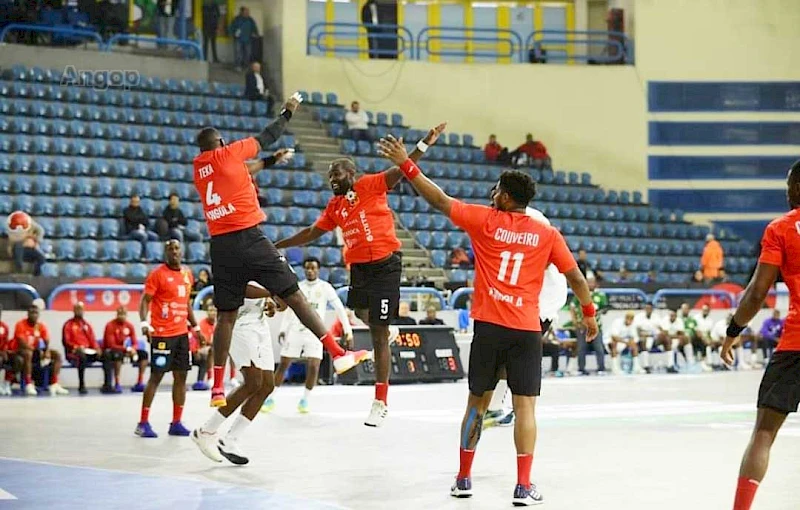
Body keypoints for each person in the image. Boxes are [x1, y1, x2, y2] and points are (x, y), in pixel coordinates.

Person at [376, 135, 598, 506]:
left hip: (489, 328)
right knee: (525, 407)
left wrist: (407, 164)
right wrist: (589, 316)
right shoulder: (547, 234)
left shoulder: (486, 221)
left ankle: (463, 479)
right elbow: (576, 278)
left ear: (507, 198)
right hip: (526, 330)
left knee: (476, 404)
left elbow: (439, 200)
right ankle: (523, 486)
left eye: (497, 191)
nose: (492, 194)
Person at [193, 92, 367, 408]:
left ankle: (217, 387)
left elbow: (247, 170)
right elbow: (267, 136)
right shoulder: (229, 154)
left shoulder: (200, 167)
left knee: (226, 316)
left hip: (220, 246)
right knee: (295, 295)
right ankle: (338, 353)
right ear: (220, 142)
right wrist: (287, 113)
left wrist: (273, 161)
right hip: (248, 237)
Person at [275, 122, 446, 427]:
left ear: (350, 176)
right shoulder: (335, 206)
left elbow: (401, 172)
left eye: (336, 175)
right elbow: (313, 231)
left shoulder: (369, 185)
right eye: (329, 177)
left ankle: (380, 401)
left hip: (385, 264)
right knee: (360, 311)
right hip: (360, 269)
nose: (332, 180)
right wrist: (279, 243)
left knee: (378, 334)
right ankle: (386, 328)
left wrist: (423, 145)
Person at [721, 161, 800, 510]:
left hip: (795, 345)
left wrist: (733, 331)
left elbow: (756, 293)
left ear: (796, 188)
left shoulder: (780, 229)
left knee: (764, 434)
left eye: (788, 185)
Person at [483, 200, 570, 429]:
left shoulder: (535, 220)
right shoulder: (498, 220)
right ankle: (495, 408)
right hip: (521, 299)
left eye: (499, 191)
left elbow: (541, 261)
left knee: (514, 357)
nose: (493, 196)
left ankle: (505, 409)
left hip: (543, 301)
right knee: (504, 357)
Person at [192, 282, 281, 465]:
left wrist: (270, 302)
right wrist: (273, 289)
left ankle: (230, 440)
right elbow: (243, 288)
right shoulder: (242, 255)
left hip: (260, 325)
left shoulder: (273, 260)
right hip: (237, 323)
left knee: (267, 385)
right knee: (253, 381)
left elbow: (284, 300)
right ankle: (205, 431)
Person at [264, 257, 353, 414]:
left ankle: (305, 400)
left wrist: (348, 331)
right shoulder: (298, 287)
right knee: (284, 363)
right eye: (307, 268)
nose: (310, 270)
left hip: (315, 333)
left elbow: (339, 308)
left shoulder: (325, 288)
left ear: (318, 270)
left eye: (313, 268)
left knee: (313, 366)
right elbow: (290, 309)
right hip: (296, 330)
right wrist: (283, 329)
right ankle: (270, 398)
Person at [135, 240, 204, 438]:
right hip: (162, 336)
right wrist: (144, 324)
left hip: (182, 334)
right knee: (156, 377)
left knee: (181, 376)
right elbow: (145, 302)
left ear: (181, 252)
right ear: (165, 253)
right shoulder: (157, 275)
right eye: (170, 249)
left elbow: (186, 303)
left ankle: (176, 422)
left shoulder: (187, 274)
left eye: (176, 248)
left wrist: (196, 327)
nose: (174, 252)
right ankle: (143, 422)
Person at [13, 306, 68, 396]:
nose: (34, 315)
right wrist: (35, 350)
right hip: (22, 351)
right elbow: (21, 342)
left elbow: (46, 340)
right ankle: (29, 384)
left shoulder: (41, 326)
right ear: (28, 314)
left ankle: (54, 383)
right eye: (32, 313)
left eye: (36, 313)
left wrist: (46, 351)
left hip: (37, 351)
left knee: (56, 355)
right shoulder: (20, 324)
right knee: (28, 354)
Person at [63, 302, 111, 394]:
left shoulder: (86, 325)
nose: (79, 311)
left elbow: (92, 340)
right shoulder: (68, 325)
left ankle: (107, 385)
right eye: (77, 309)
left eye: (81, 309)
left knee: (106, 355)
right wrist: (76, 347)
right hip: (75, 352)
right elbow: (66, 341)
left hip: (89, 351)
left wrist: (97, 348)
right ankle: (82, 385)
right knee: (82, 357)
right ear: (73, 310)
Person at [103, 306, 148, 393]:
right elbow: (111, 345)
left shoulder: (129, 326)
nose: (122, 316)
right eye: (120, 314)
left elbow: (135, 342)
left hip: (128, 351)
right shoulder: (110, 325)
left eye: (124, 314)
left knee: (144, 354)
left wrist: (133, 349)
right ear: (117, 314)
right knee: (117, 355)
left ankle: (140, 382)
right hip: (115, 351)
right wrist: (126, 349)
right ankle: (117, 383)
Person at [571, 276, 607, 375]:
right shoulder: (580, 292)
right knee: (581, 347)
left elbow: (605, 308)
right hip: (582, 326)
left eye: (592, 282)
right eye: (589, 282)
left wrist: (598, 311)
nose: (590, 284)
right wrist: (575, 321)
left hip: (596, 326)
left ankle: (601, 368)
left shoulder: (600, 295)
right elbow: (572, 307)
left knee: (599, 347)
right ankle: (581, 369)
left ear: (596, 284)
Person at [7, 211, 47, 276]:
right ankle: (19, 270)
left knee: (41, 258)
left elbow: (40, 230)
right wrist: (25, 239)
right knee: (18, 247)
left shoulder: (30, 224)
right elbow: (12, 242)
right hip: (18, 247)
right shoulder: (12, 229)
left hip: (29, 248)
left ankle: (36, 275)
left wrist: (35, 241)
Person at [194, 302, 216, 390]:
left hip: (213, 348)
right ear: (207, 312)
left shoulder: (219, 323)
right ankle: (210, 378)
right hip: (199, 349)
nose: (212, 313)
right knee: (211, 350)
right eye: (210, 310)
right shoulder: (203, 323)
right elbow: (204, 341)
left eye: (214, 310)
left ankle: (232, 378)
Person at [633, 303, 661, 373]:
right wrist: (645, 334)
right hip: (642, 338)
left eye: (650, 309)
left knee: (665, 338)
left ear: (652, 309)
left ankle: (670, 365)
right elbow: (638, 330)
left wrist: (652, 334)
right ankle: (646, 365)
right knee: (643, 340)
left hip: (654, 338)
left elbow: (659, 329)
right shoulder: (639, 317)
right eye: (647, 308)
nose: (648, 310)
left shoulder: (656, 317)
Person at [0, 306, 14, 396]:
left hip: (2, 352)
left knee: (15, 359)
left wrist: (5, 351)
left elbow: (5, 342)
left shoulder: (4, 327)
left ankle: (7, 383)